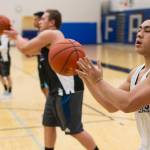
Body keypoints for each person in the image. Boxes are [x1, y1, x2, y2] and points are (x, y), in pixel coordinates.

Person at [5, 9, 99, 150]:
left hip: (68, 89)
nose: (40, 21)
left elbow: (24, 48)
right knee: (48, 123)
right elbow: (28, 51)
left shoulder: (52, 34)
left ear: (52, 22)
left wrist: (16, 35)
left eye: (43, 19)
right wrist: (16, 38)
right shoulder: (47, 39)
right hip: (55, 89)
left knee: (75, 130)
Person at [76, 19, 150, 150]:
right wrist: (88, 79)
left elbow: (127, 104)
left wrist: (98, 81)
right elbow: (111, 105)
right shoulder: (136, 73)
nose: (139, 34)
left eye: (147, 30)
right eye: (139, 29)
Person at [33, 11, 49, 97]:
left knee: (47, 87)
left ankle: (51, 109)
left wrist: (30, 51)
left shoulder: (45, 32)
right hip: (41, 62)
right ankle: (50, 108)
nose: (34, 22)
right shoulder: (39, 32)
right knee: (43, 87)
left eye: (35, 19)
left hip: (46, 64)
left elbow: (39, 49)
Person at [0, 33, 12, 99]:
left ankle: (10, 91)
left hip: (5, 59)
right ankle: (5, 89)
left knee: (7, 75)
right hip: (0, 58)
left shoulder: (5, 36)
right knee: (1, 76)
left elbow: (4, 47)